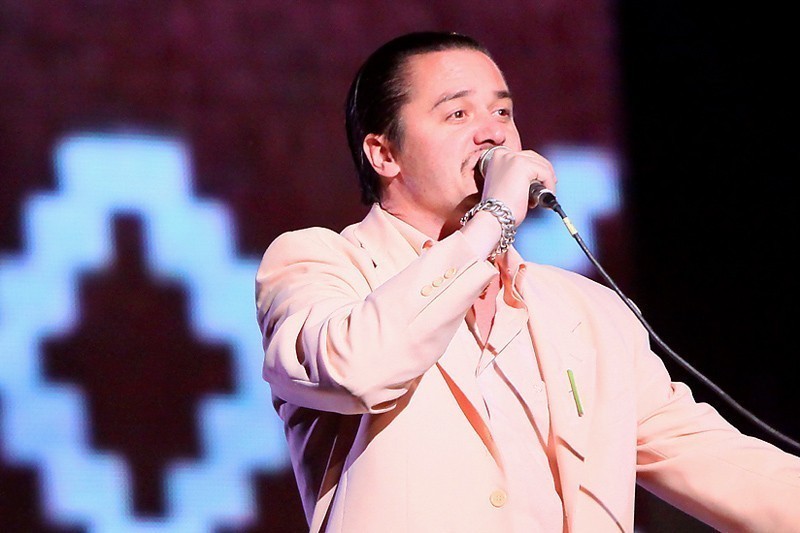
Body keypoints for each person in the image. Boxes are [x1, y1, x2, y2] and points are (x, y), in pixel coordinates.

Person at [255, 31, 800, 532]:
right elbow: (356, 370)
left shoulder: (589, 309)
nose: (494, 132)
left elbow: (708, 457)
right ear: (384, 153)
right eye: (458, 113)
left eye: (502, 111)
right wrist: (493, 220)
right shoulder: (320, 264)